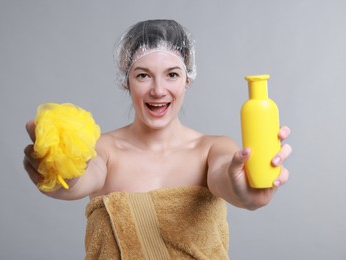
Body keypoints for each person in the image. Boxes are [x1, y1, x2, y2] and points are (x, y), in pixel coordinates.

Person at [23, 19, 292, 259]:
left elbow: (232, 183)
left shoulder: (213, 149)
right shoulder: (104, 149)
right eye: (143, 75)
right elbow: (79, 180)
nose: (158, 90)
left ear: (187, 79)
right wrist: (59, 172)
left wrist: (250, 192)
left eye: (172, 74)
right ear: (126, 80)